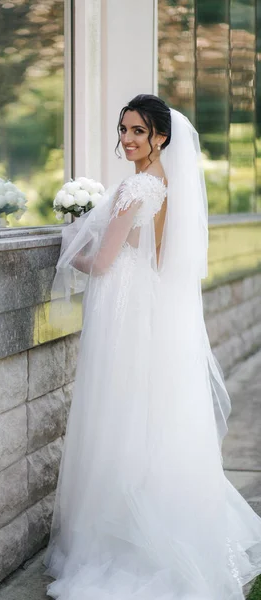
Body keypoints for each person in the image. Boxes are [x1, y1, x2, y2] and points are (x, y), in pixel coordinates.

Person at [44, 94, 261, 599]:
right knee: (150, 418)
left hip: (125, 313)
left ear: (160, 136)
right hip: (152, 310)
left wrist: (68, 241)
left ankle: (124, 536)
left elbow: (101, 263)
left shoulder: (138, 185)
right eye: (123, 129)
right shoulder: (170, 183)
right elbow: (161, 260)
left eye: (137, 131)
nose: (127, 139)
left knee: (120, 416)